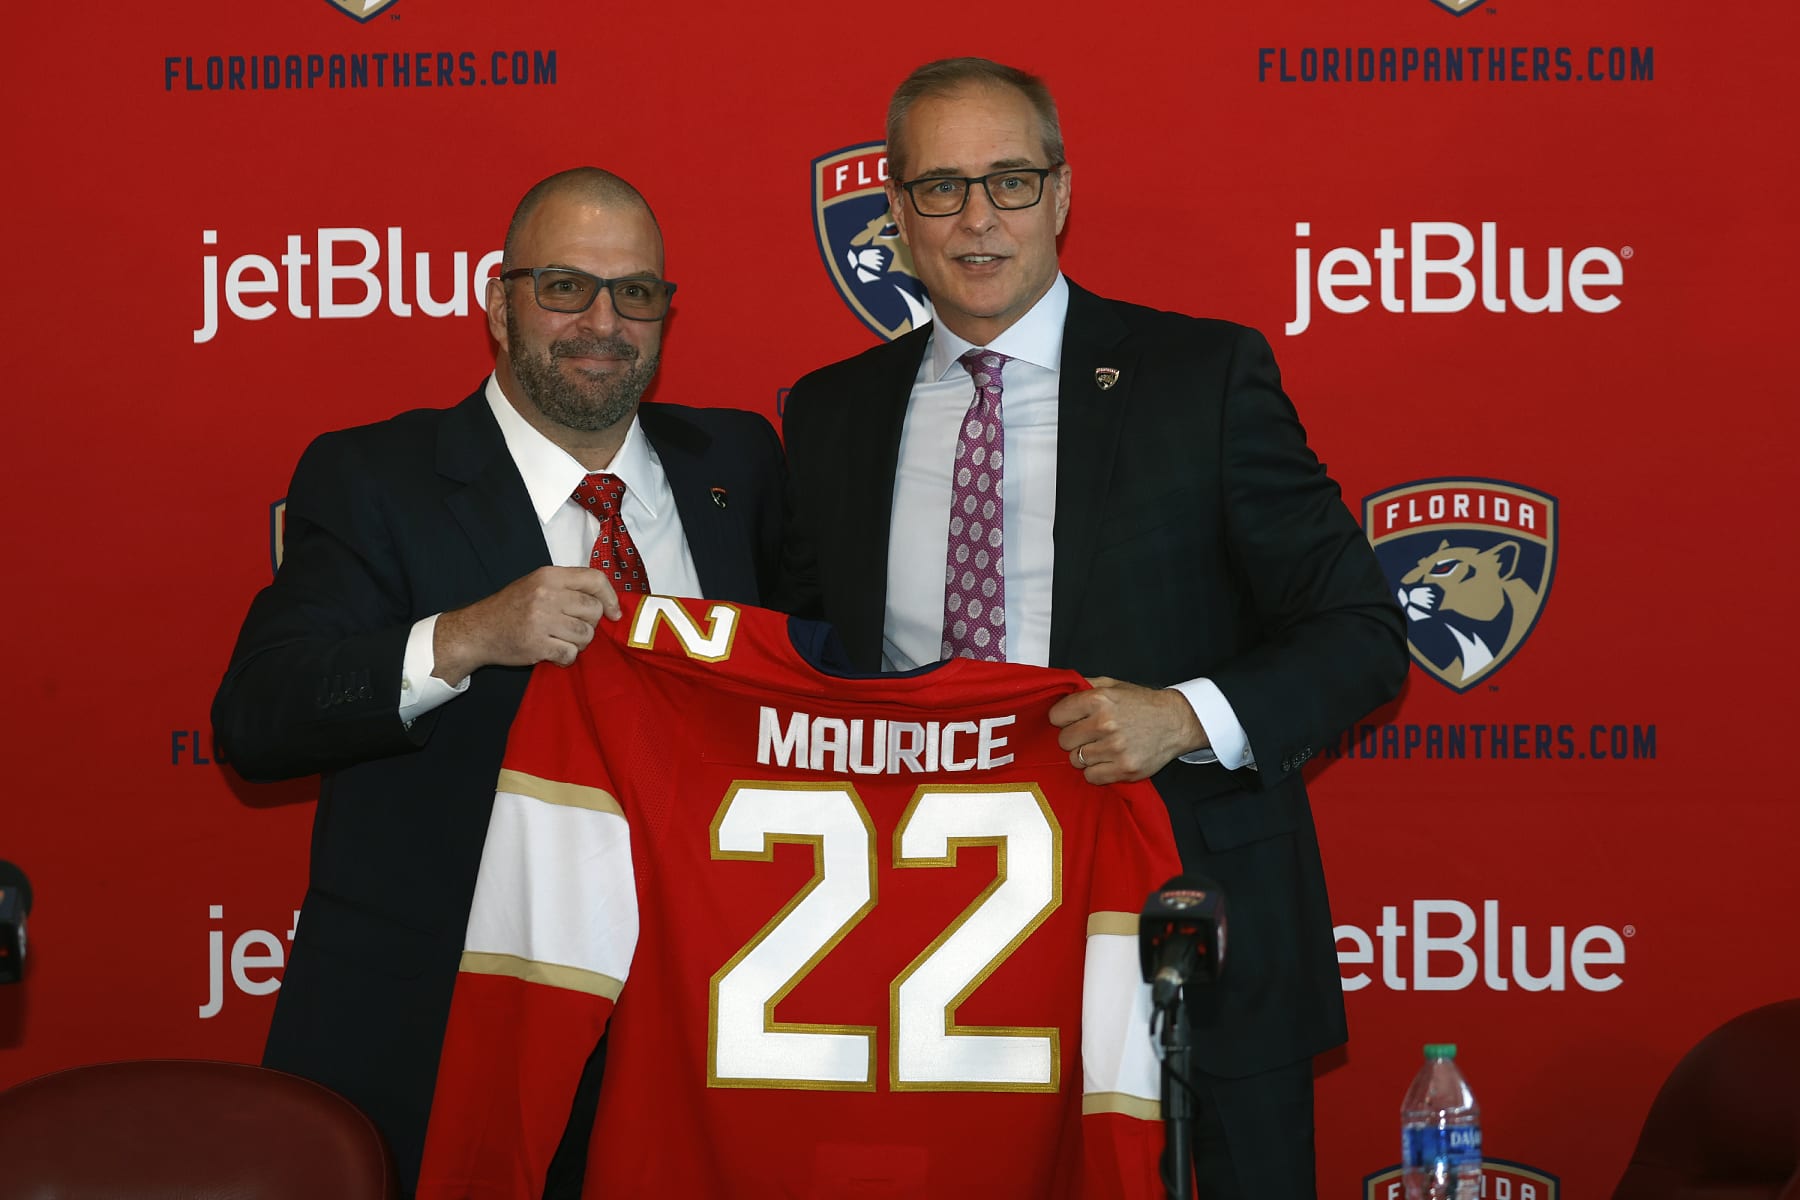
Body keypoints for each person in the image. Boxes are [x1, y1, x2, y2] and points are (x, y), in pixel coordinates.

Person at [778, 58, 1407, 1199]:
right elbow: (805, 666)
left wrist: (1182, 717)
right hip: (931, 953)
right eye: (942, 187)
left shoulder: (1202, 376)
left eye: (1011, 182)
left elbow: (1360, 629)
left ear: (1063, 195)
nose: (978, 219)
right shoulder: (830, 415)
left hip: (1181, 935)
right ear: (895, 210)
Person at [212, 166, 785, 1195]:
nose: (603, 321)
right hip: (446, 1031)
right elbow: (260, 717)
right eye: (565, 287)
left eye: (636, 293)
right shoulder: (375, 477)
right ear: (496, 301)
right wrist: (466, 637)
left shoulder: (739, 465)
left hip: (700, 1037)